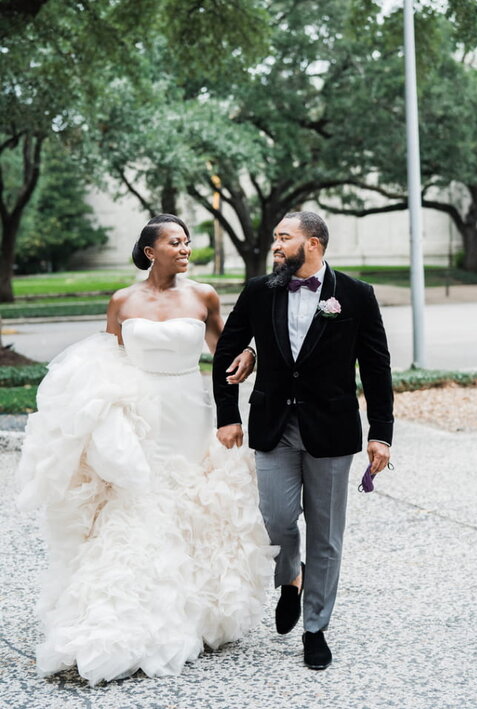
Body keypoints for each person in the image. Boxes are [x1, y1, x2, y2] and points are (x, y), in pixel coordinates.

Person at [17, 214, 274, 685]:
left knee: (192, 501)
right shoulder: (122, 300)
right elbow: (109, 358)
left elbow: (225, 351)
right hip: (139, 414)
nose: (185, 248)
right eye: (174, 242)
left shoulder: (203, 296)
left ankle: (196, 606)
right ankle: (134, 605)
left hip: (188, 408)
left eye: (187, 241)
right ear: (150, 251)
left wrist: (247, 366)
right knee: (138, 502)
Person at [213, 210, 393, 671]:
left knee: (326, 535)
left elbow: (376, 369)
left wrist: (382, 435)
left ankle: (315, 628)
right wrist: (228, 414)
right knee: (275, 521)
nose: (275, 245)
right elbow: (225, 351)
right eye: (275, 237)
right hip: (273, 423)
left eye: (283, 237)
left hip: (331, 430)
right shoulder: (259, 291)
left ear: (312, 244)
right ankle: (290, 578)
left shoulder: (355, 295)